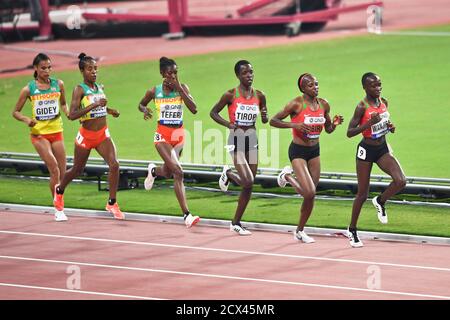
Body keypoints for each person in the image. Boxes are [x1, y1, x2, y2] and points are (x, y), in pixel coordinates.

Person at [270, 73, 343, 243]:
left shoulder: (324, 104)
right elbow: (273, 121)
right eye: (311, 85)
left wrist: (335, 123)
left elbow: (329, 128)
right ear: (303, 88)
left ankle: (300, 231)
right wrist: (294, 124)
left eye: (316, 84)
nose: (315, 87)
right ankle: (286, 176)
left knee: (311, 195)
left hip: (314, 152)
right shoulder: (296, 104)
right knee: (309, 192)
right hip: (298, 151)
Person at [53, 53, 124, 220]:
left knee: (114, 165)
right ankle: (60, 189)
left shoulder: (100, 87)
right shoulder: (79, 89)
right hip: (86, 136)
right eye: (90, 69)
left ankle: (112, 203)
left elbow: (100, 107)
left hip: (102, 135)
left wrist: (110, 110)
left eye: (96, 69)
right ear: (82, 71)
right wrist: (94, 105)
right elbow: (72, 115)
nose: (94, 72)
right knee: (77, 170)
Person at [345, 72, 406, 248]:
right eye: (373, 85)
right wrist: (368, 124)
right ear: (365, 87)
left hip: (382, 148)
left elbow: (384, 122)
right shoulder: (361, 107)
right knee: (362, 194)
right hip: (366, 150)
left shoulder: (383, 102)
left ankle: (380, 200)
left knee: (401, 181)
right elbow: (349, 132)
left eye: (379, 84)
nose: (377, 88)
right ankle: (352, 229)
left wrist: (389, 127)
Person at [138, 57, 200, 228]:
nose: (173, 76)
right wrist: (145, 110)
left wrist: (179, 88)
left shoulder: (182, 88)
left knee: (167, 172)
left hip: (179, 137)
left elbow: (194, 109)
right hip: (162, 136)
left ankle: (154, 171)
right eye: (169, 73)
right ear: (162, 74)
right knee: (178, 172)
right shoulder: (154, 91)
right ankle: (187, 215)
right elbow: (141, 104)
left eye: (175, 72)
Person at [210, 60, 268, 236]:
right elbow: (213, 112)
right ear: (238, 75)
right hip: (236, 139)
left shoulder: (260, 95)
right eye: (245, 73)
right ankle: (227, 173)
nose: (249, 75)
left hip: (252, 139)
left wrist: (265, 115)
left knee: (249, 185)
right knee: (248, 181)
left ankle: (236, 222)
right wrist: (228, 124)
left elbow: (264, 119)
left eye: (251, 72)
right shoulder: (230, 95)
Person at [12, 53, 69, 222]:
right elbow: (15, 112)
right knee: (54, 169)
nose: (47, 71)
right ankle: (59, 209)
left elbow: (64, 103)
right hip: (39, 135)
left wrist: (68, 113)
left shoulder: (58, 84)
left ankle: (57, 199)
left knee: (63, 173)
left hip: (57, 132)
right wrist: (26, 120)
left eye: (49, 67)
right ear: (35, 69)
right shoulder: (28, 89)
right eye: (43, 68)